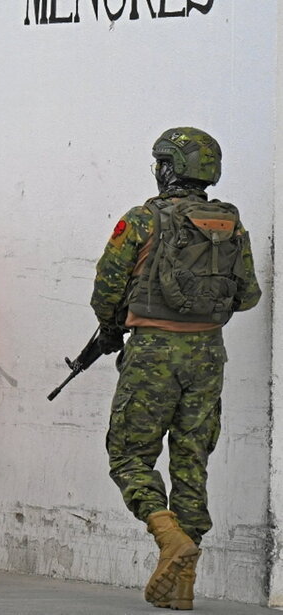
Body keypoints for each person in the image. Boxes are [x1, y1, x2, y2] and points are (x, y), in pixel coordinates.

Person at [91, 127, 261, 610]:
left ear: (168, 168)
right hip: (209, 356)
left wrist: (109, 326)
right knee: (192, 461)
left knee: (128, 456)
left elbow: (105, 289)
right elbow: (248, 296)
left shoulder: (143, 220)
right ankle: (182, 586)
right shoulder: (231, 225)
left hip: (153, 355)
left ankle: (168, 537)